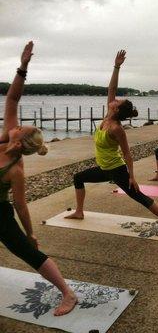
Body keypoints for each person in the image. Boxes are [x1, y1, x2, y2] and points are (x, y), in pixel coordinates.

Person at [0, 42, 77, 316]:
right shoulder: (6, 135)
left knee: (27, 253)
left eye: (20, 127)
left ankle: (68, 293)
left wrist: (31, 233)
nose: (15, 125)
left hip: (0, 216)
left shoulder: (14, 170)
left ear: (20, 142)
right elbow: (12, 100)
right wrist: (23, 67)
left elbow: (21, 206)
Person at [66, 50, 158, 236]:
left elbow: (127, 154)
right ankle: (79, 211)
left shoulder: (117, 128)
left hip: (117, 169)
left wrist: (132, 176)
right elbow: (111, 89)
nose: (114, 99)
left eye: (117, 101)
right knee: (78, 178)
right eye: (115, 99)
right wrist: (117, 66)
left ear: (116, 109)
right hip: (103, 167)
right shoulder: (108, 115)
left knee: (137, 196)